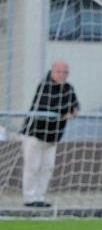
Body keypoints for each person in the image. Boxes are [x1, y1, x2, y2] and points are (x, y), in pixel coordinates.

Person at [20, 60, 80, 207]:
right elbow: (48, 105)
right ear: (53, 72)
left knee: (47, 167)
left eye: (65, 72)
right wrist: (65, 111)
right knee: (32, 166)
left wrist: (74, 111)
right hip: (35, 134)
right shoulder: (44, 86)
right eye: (59, 72)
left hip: (53, 137)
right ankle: (29, 198)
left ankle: (40, 196)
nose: (62, 75)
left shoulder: (68, 88)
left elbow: (75, 105)